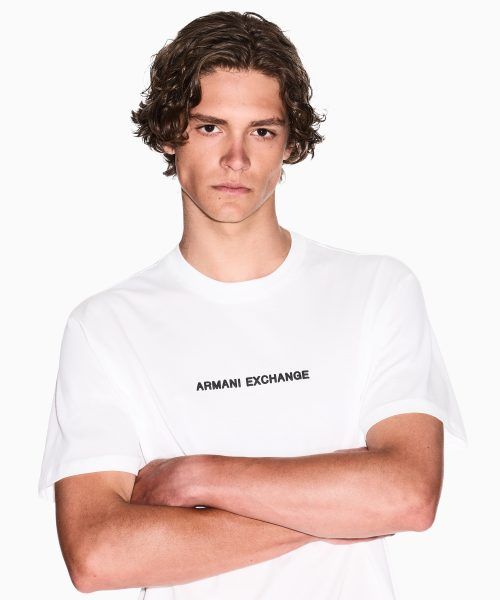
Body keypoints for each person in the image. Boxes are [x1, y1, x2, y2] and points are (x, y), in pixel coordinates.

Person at [38, 10, 467, 599]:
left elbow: (408, 495)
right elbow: (97, 554)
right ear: (169, 133)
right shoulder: (104, 326)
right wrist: (342, 508)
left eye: (262, 131)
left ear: (289, 143)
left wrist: (197, 477)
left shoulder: (377, 289)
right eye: (210, 127)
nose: (236, 158)